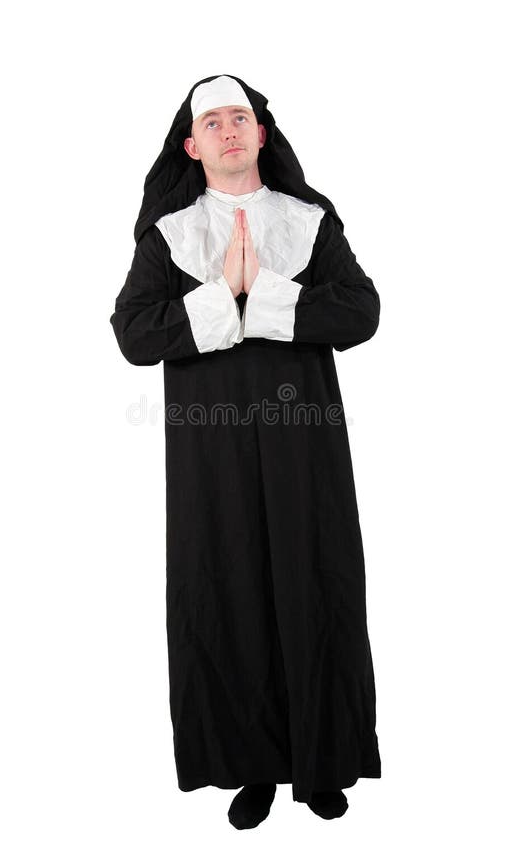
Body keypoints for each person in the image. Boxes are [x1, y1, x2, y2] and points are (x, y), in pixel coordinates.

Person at [110, 74, 382, 829]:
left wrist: (259, 292)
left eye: (242, 118)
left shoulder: (308, 220)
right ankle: (251, 766)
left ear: (261, 134)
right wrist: (215, 293)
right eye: (214, 122)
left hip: (304, 444)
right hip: (211, 447)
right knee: (224, 589)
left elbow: (361, 311)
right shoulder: (171, 234)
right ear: (193, 147)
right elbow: (134, 332)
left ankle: (321, 762)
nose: (230, 130)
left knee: (314, 583)